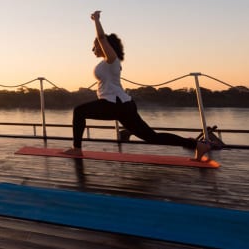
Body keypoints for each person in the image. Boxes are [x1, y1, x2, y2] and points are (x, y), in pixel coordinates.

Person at [63, 10, 211, 161]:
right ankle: (197, 145)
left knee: (79, 111)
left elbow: (101, 37)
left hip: (115, 104)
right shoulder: (108, 63)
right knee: (151, 137)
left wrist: (96, 20)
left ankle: (77, 149)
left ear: (104, 46)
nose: (93, 49)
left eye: (95, 46)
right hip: (123, 105)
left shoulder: (111, 60)